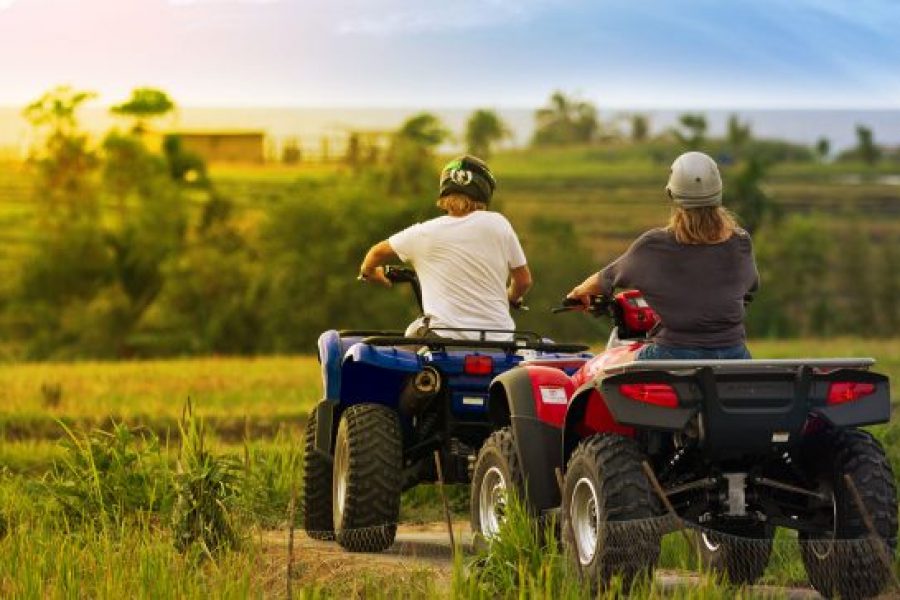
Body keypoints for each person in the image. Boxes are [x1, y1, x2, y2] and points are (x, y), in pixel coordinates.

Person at [567, 151, 759, 360]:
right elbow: (750, 288)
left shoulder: (655, 245)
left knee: (604, 364)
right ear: (719, 193)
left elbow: (608, 277)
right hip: (735, 354)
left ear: (671, 194)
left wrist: (579, 292)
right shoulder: (741, 242)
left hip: (673, 353)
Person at [359, 155, 532, 340]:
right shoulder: (499, 224)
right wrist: (512, 297)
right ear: (485, 190)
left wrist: (370, 272)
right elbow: (523, 281)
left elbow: (376, 253)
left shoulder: (424, 232)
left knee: (408, 342)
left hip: (444, 339)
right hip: (500, 339)